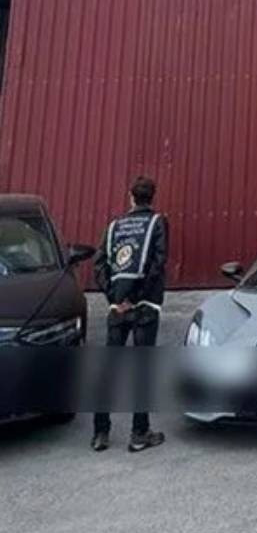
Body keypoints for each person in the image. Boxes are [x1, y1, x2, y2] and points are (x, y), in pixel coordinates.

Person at [91, 176, 168, 453]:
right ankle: (139, 433)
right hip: (145, 306)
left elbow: (99, 264)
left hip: (117, 308)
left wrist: (115, 297)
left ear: (131, 197)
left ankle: (100, 433)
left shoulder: (114, 226)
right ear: (152, 196)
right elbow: (158, 262)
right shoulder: (157, 223)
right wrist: (135, 298)